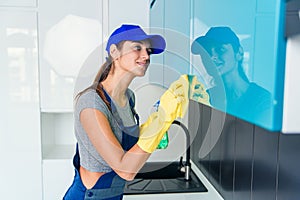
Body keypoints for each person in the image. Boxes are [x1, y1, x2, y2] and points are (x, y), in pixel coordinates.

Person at [63, 24, 188, 200]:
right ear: (114, 52)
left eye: (148, 50)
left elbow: (128, 149)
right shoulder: (92, 103)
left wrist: (156, 124)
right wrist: (161, 122)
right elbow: (124, 169)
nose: (146, 56)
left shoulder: (128, 97)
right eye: (137, 48)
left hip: (114, 195)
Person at [191, 26, 272, 123]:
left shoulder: (263, 101)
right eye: (207, 52)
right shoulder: (205, 99)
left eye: (220, 49)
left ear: (239, 53)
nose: (212, 57)